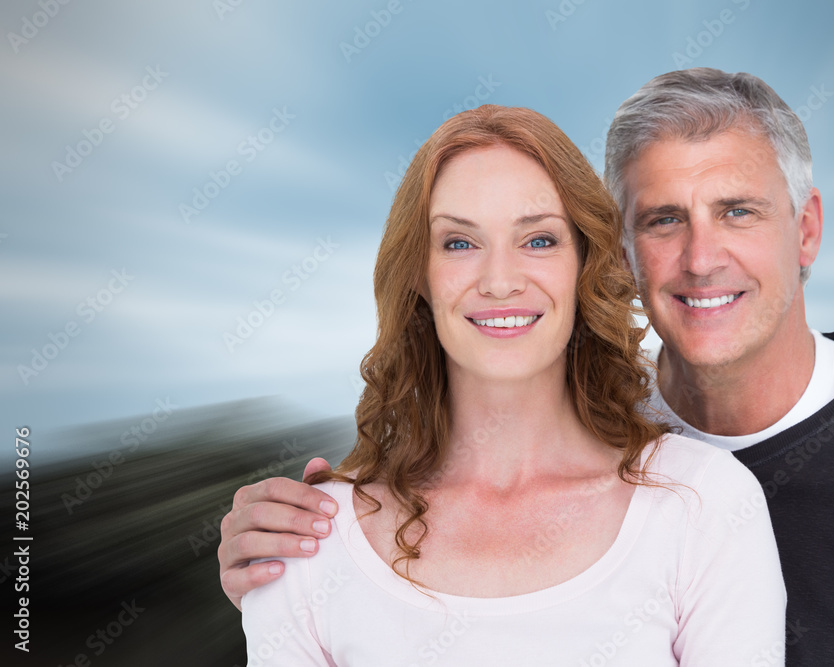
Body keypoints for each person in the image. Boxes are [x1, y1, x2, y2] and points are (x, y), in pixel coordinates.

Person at [223, 69, 834, 665]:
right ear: (620, 256)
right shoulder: (613, 433)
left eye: (737, 210)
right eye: (663, 219)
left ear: (806, 230)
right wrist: (274, 571)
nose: (701, 258)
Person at [238, 104, 786, 665]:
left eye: (539, 240)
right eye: (458, 243)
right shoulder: (306, 541)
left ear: (587, 264)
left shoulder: (705, 507)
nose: (500, 281)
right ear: (419, 276)